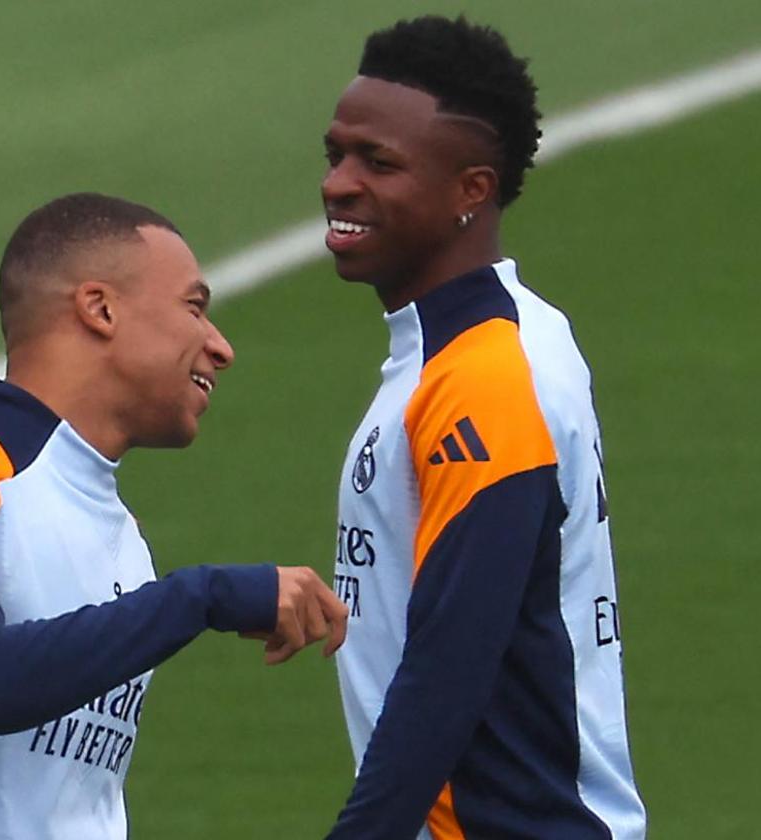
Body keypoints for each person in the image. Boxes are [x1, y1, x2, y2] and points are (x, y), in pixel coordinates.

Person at [0, 192, 348, 839]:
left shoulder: (121, 538)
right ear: (100, 308)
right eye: (194, 308)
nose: (221, 347)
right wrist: (200, 598)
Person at [320, 16, 646, 839]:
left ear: (471, 190)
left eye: (378, 163)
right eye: (337, 155)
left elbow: (451, 662)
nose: (339, 184)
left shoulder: (482, 377)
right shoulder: (495, 343)